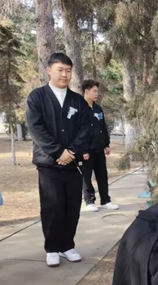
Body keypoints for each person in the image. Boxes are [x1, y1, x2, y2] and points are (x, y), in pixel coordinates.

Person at [26, 53, 91, 268]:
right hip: (48, 164)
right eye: (60, 70)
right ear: (49, 71)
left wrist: (70, 152)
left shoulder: (77, 101)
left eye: (68, 70)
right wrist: (57, 152)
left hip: (72, 163)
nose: (64, 74)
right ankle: (52, 248)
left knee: (72, 206)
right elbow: (36, 129)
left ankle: (67, 246)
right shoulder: (37, 97)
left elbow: (85, 129)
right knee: (52, 206)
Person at [81, 80, 119, 212]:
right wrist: (83, 150)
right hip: (86, 151)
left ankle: (106, 200)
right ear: (86, 91)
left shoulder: (98, 109)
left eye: (97, 91)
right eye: (94, 91)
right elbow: (77, 132)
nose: (97, 94)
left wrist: (106, 144)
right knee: (86, 177)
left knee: (102, 175)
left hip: (99, 149)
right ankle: (89, 201)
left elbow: (103, 127)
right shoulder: (79, 109)